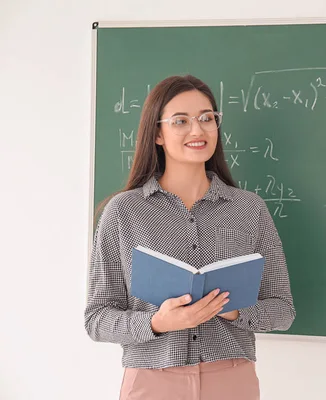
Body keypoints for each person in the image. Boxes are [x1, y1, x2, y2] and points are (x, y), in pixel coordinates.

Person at [84, 74, 296, 400]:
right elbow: (97, 319)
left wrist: (234, 311)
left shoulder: (249, 209)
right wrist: (157, 323)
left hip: (232, 380)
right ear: (157, 133)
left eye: (207, 119)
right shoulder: (122, 212)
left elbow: (283, 310)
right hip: (151, 381)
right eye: (181, 121)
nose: (197, 130)